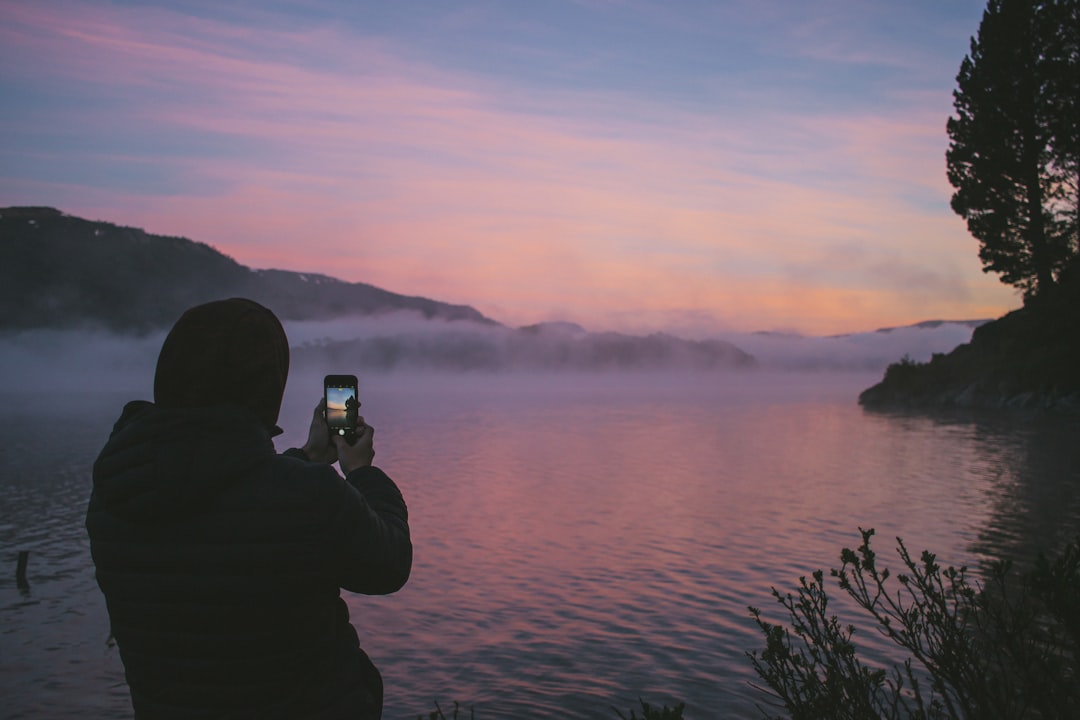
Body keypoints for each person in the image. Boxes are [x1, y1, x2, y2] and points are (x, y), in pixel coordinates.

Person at [86, 298, 412, 719]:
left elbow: (226, 500)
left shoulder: (114, 493)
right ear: (265, 386)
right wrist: (362, 471)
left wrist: (309, 457)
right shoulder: (307, 498)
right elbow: (388, 565)